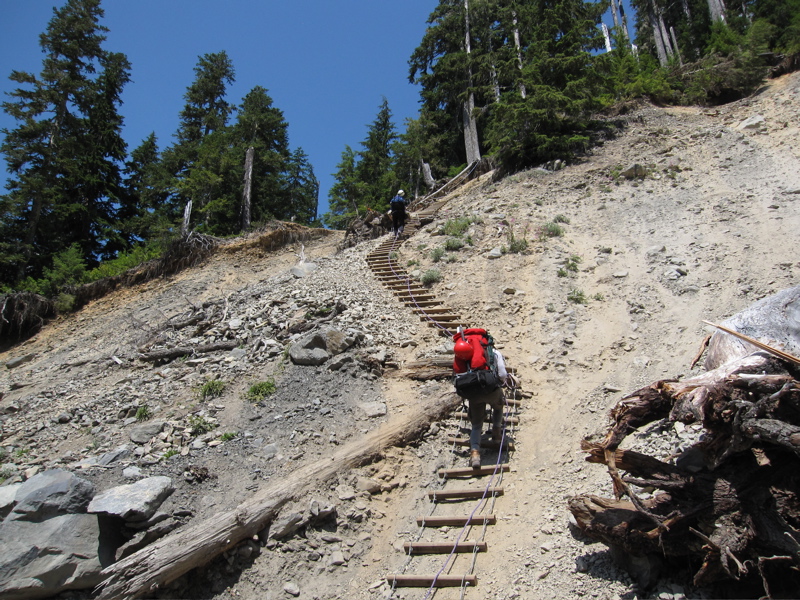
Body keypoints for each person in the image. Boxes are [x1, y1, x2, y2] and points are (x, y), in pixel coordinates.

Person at [452, 329, 509, 469]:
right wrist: (501, 382)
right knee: (498, 406)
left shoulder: (462, 356)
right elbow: (502, 373)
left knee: (476, 425)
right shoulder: (492, 352)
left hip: (473, 392)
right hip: (490, 388)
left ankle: (475, 454)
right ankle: (497, 433)